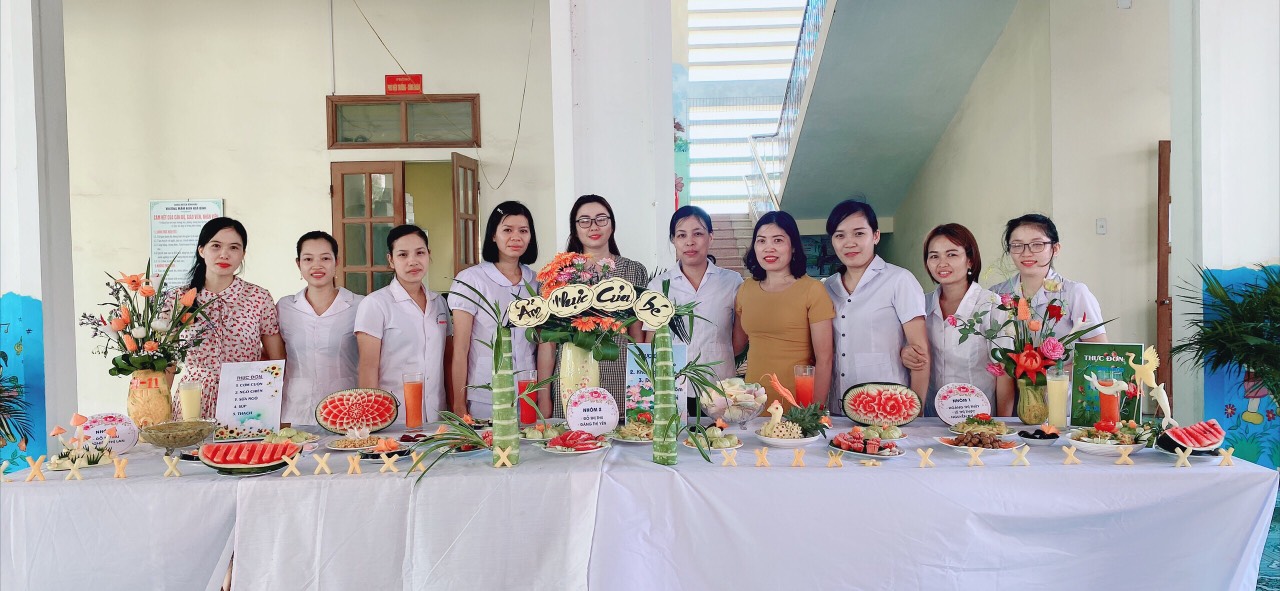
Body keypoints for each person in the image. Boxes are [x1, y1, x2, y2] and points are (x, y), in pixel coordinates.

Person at [540, 195, 649, 416]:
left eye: (601, 219)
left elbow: (637, 336)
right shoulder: (559, 274)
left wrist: (639, 390)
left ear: (612, 225)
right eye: (584, 220)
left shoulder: (633, 271)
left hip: (620, 380)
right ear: (575, 228)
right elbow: (547, 343)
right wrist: (543, 397)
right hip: (571, 381)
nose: (593, 226)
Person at [170, 217, 285, 420]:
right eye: (216, 246)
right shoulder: (177, 299)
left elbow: (276, 361)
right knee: (192, 442)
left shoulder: (258, 297)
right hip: (193, 401)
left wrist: (271, 406)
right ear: (201, 250)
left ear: (243, 254)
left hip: (246, 401)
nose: (224, 254)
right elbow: (166, 362)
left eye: (234, 247)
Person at [823, 200, 929, 411]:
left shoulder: (899, 280)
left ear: (876, 236)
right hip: (839, 406)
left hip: (888, 407)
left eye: (859, 233)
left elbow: (920, 354)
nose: (849, 243)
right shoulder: (827, 287)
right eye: (840, 235)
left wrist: (914, 414)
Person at [901, 224, 1014, 416]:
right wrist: (905, 353)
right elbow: (910, 351)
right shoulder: (921, 305)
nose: (942, 263)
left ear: (970, 260)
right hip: (932, 417)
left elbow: (1004, 372)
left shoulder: (993, 305)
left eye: (951, 254)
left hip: (978, 419)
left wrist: (1003, 423)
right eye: (934, 256)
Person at [644, 206, 744, 413]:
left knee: (722, 433)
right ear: (673, 240)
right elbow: (651, 341)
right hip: (673, 389)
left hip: (720, 387)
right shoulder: (658, 286)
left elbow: (739, 341)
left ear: (710, 237)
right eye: (682, 235)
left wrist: (716, 352)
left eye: (697, 233)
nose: (689, 242)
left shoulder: (732, 282)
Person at [732, 211, 834, 411]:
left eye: (778, 240)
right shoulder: (745, 289)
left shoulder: (812, 290)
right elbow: (735, 346)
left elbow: (825, 360)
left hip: (796, 406)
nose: (768, 248)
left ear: (793, 246)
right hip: (753, 403)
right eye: (761, 241)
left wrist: (815, 413)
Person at [449, 201, 542, 420]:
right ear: (493, 235)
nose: (516, 237)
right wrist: (459, 404)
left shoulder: (537, 281)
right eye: (507, 230)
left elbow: (539, 344)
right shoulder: (471, 279)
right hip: (485, 394)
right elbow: (460, 349)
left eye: (523, 231)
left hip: (528, 392)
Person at [355, 225, 452, 425]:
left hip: (437, 416)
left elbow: (447, 360)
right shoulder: (375, 304)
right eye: (403, 255)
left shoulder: (439, 303)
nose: (412, 261)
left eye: (420, 253)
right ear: (391, 260)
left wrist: (454, 408)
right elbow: (368, 368)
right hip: (393, 417)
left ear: (429, 255)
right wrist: (370, 421)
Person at [276, 231, 363, 426]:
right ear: (298, 264)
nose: (317, 265)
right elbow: (276, 356)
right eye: (308, 259)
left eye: (325, 258)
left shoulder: (359, 306)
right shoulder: (284, 307)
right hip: (295, 412)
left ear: (336, 262)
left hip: (346, 410)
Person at [989, 214, 1107, 344]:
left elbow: (1098, 352)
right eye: (1017, 245)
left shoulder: (1075, 293)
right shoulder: (996, 294)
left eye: (1037, 244)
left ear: (1055, 249)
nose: (1026, 253)